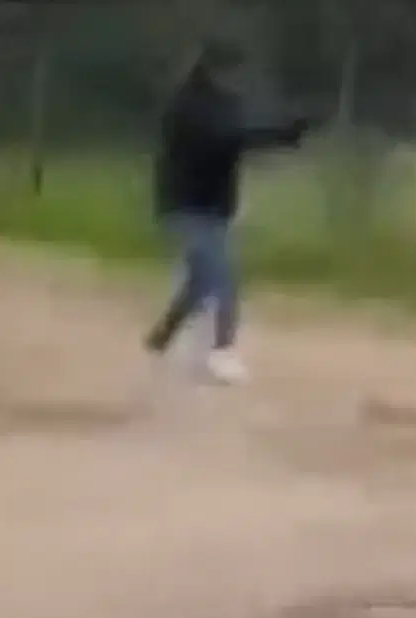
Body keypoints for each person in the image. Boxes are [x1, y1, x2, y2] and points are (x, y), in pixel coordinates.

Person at [144, 39, 312, 384]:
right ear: (215, 71)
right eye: (232, 71)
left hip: (212, 207)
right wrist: (282, 133)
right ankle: (222, 351)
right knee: (223, 278)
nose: (237, 79)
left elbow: (239, 134)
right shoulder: (189, 106)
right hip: (188, 208)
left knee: (201, 282)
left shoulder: (221, 104)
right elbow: (226, 138)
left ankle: (162, 335)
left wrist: (285, 133)